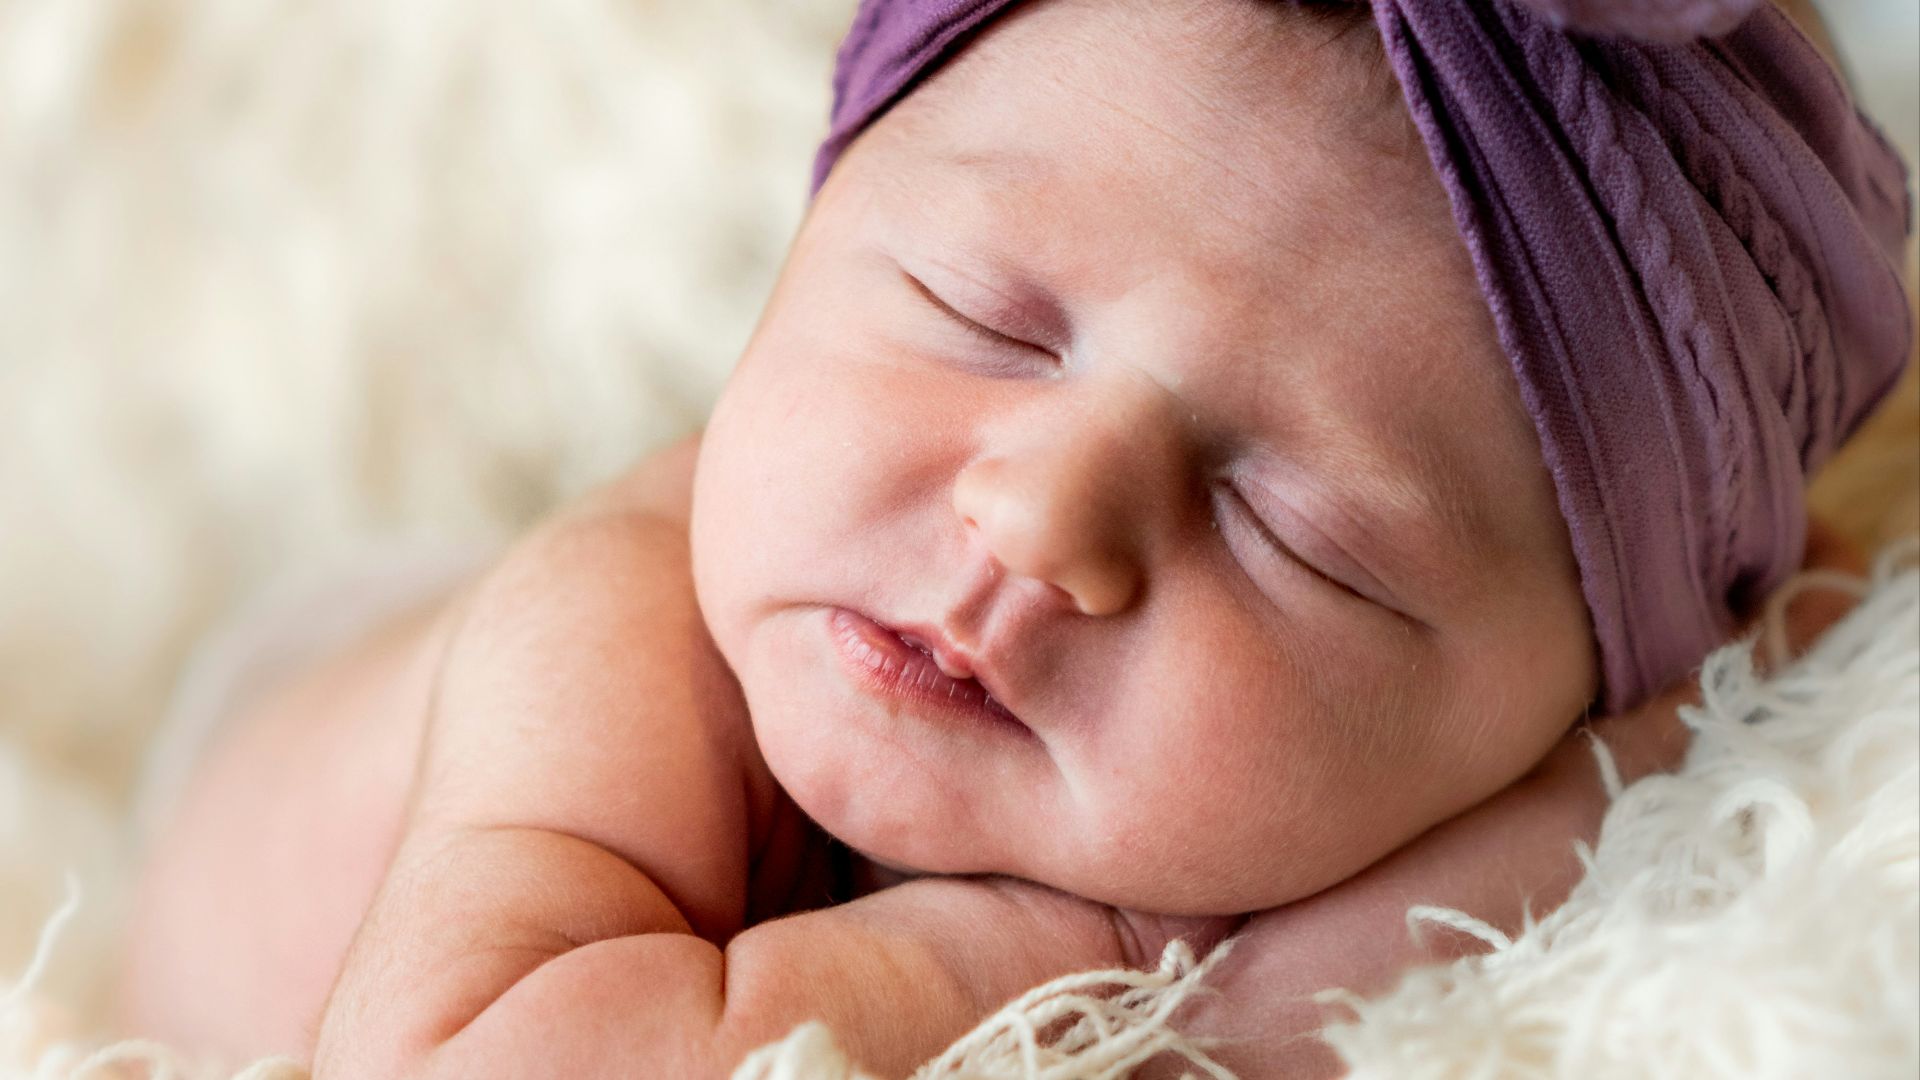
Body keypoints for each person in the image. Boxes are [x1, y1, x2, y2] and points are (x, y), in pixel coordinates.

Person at [113, 0, 1910, 1076]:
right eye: (976, 313)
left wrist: (1647, 778)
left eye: (1304, 539)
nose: (1039, 515)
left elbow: (1728, 751)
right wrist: (1123, 962)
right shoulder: (605, 634)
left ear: (1569, 699)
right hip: (217, 779)